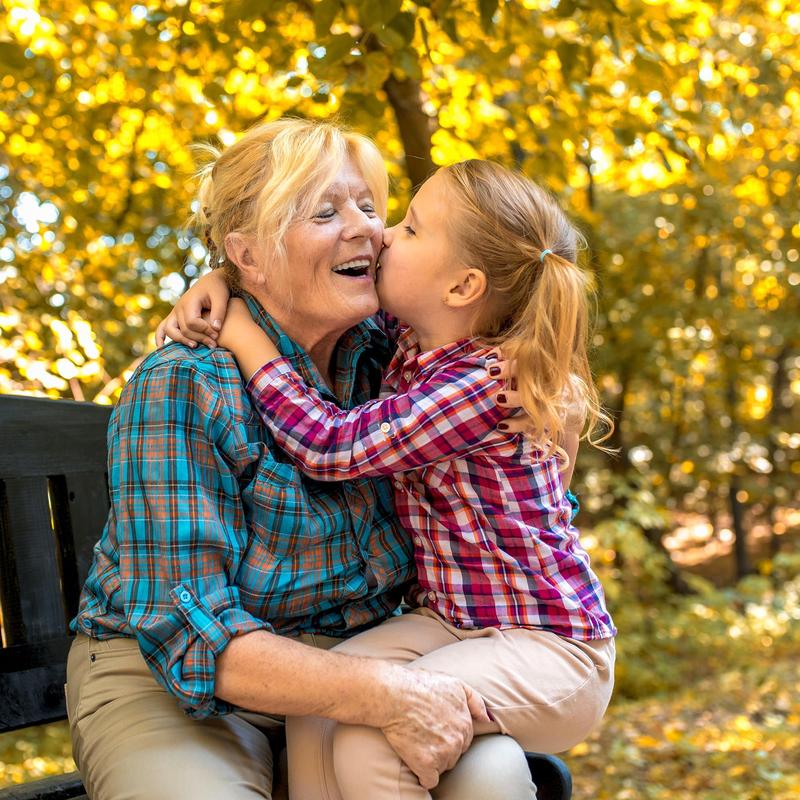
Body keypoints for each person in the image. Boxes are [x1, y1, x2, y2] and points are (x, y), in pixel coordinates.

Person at [65, 120, 538, 800]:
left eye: (371, 208)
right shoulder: (184, 383)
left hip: (361, 662)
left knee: (491, 780)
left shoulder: (400, 358)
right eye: (325, 211)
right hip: (180, 680)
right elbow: (185, 626)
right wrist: (382, 693)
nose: (367, 232)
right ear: (248, 254)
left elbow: (518, 299)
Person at [167, 159, 617, 800]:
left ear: (462, 287)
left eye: (408, 228)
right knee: (327, 694)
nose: (381, 236)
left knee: (375, 731)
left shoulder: (482, 383)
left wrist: (239, 329)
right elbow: (293, 288)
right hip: (455, 621)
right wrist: (225, 277)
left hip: (549, 645)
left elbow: (329, 444)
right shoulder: (411, 344)